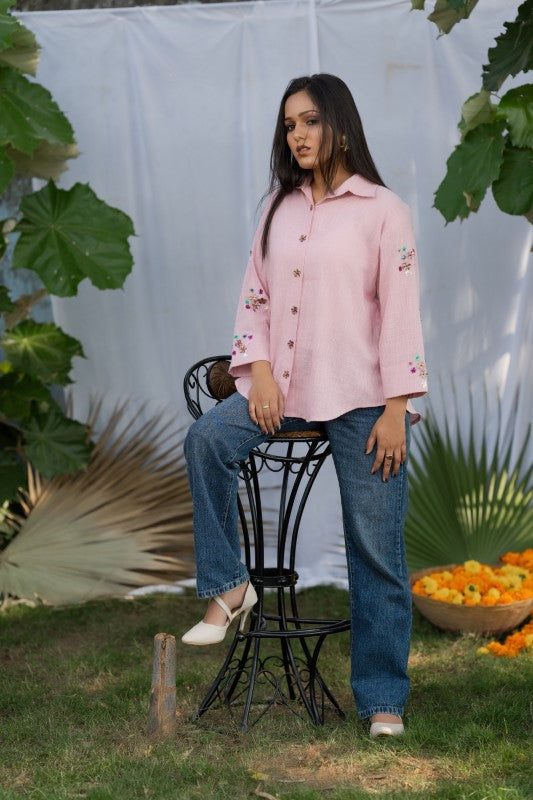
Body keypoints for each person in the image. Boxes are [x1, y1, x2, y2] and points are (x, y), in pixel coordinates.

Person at [182, 73, 428, 739]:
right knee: (206, 441)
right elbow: (253, 300)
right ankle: (230, 587)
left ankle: (381, 699)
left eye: (310, 120)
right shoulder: (276, 208)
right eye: (289, 123)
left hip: (362, 399)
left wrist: (395, 406)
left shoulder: (383, 210)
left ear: (339, 126)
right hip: (282, 390)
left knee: (375, 549)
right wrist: (257, 374)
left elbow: (400, 316)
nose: (297, 134)